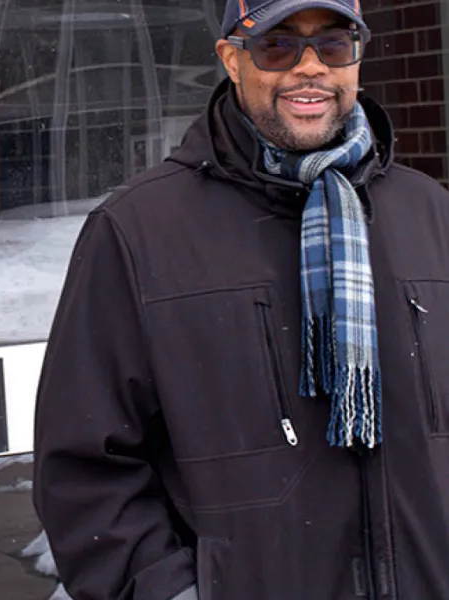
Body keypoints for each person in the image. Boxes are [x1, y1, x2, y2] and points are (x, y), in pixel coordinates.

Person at [32, 1, 449, 599]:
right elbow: (86, 467)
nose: (311, 67)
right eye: (279, 45)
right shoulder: (139, 231)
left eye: (334, 44)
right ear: (232, 59)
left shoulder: (430, 214)